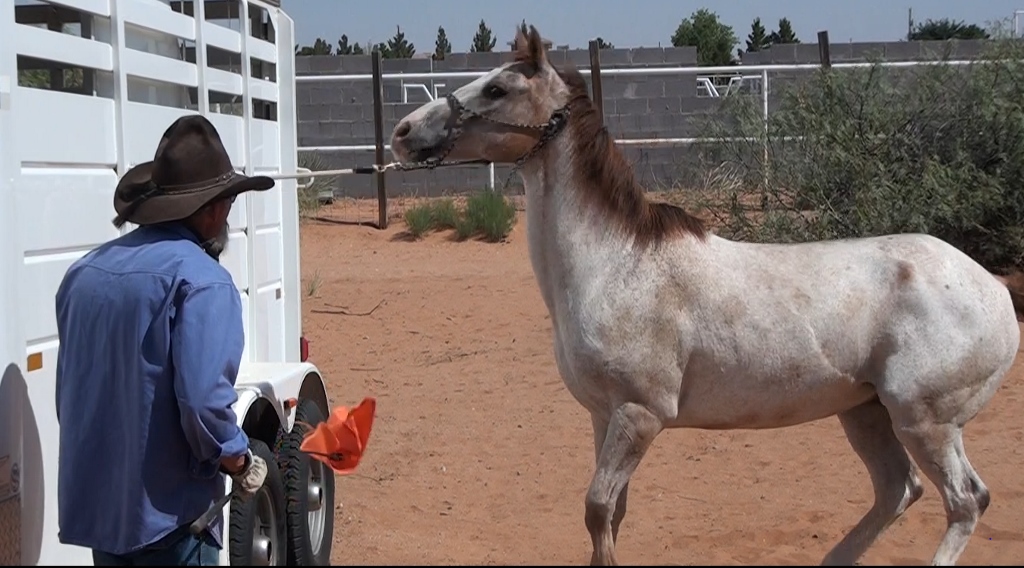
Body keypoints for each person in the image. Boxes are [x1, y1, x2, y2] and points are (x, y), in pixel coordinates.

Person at [54, 115, 273, 566]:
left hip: (105, 514)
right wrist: (238, 459)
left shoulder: (83, 274)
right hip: (171, 522)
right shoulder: (203, 282)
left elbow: (71, 395)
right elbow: (202, 404)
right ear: (214, 208)